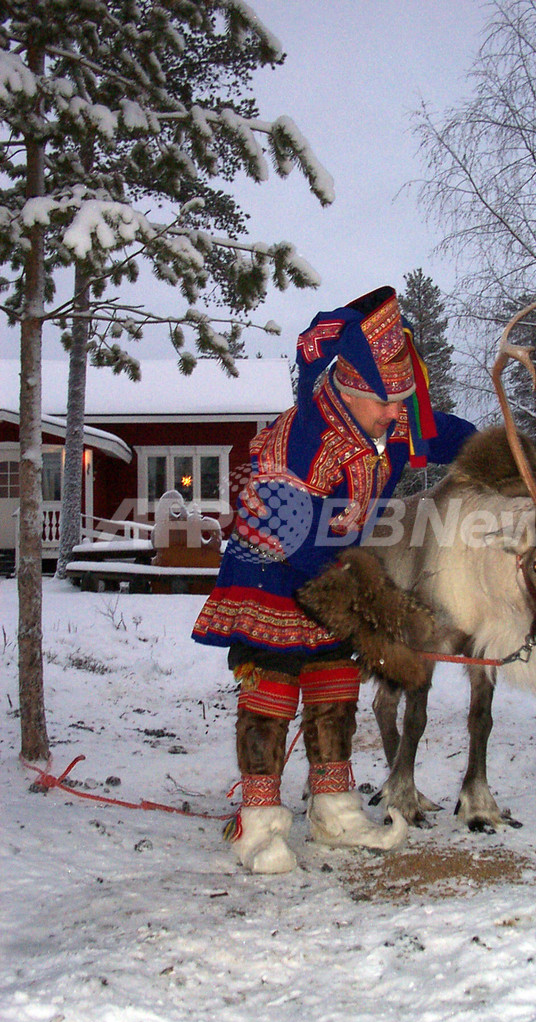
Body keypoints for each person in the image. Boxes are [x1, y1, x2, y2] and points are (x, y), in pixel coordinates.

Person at [192, 285, 477, 873]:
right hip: (271, 571)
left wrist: (494, 450)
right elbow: (292, 538)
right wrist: (370, 604)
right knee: (272, 688)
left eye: (402, 401)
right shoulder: (304, 439)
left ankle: (334, 808)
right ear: (350, 389)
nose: (398, 413)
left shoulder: (389, 428)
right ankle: (259, 820)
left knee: (335, 685)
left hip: (339, 572)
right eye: (387, 403)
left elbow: (441, 431)